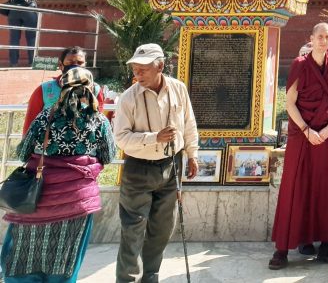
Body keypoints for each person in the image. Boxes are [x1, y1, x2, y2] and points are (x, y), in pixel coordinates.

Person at [1, 67, 115, 283]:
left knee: (25, 258)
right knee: (65, 261)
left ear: (62, 87)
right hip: (77, 201)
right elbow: (108, 155)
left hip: (37, 199)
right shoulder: (98, 120)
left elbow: (23, 152)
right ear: (89, 88)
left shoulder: (47, 115)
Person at [112, 43, 200, 283]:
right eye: (135, 70)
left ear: (160, 66)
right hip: (138, 168)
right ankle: (128, 279)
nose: (137, 75)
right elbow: (120, 138)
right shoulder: (128, 98)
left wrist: (192, 154)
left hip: (172, 165)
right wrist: (154, 138)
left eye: (143, 69)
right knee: (133, 229)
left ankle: (150, 276)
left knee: (162, 229)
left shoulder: (178, 88)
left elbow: (189, 123)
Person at [270, 23, 328, 269]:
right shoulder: (300, 65)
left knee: (327, 189)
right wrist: (306, 130)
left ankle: (327, 246)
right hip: (301, 136)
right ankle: (282, 249)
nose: (324, 41)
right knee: (295, 187)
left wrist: (327, 129)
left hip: (326, 135)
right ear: (311, 39)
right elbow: (290, 102)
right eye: (320, 37)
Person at [22, 46, 106, 134]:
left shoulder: (95, 90)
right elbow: (30, 124)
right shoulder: (44, 90)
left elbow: (99, 123)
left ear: (85, 65)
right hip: (49, 145)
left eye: (80, 63)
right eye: (71, 63)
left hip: (84, 145)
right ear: (61, 65)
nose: (75, 66)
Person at [4, 0, 45, 67]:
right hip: (29, 10)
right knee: (31, 37)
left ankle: (13, 63)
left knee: (14, 37)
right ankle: (32, 62)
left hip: (14, 11)